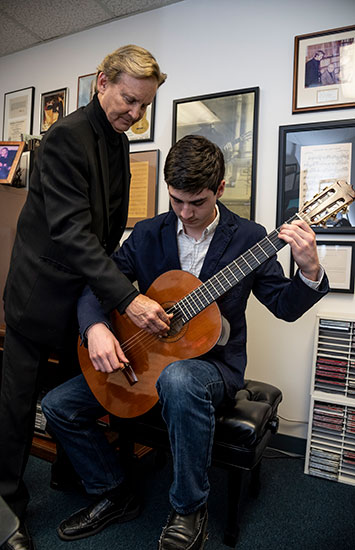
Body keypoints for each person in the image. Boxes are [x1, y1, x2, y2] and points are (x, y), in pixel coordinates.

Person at [42, 135, 329, 550]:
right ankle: (115, 492)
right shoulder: (147, 233)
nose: (185, 212)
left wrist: (309, 271)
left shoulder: (251, 237)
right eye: (176, 200)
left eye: (196, 202)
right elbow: (98, 286)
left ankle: (189, 508)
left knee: (179, 379)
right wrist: (96, 329)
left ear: (220, 189)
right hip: (144, 355)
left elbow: (284, 307)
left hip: (210, 368)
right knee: (58, 406)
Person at [0, 44, 168, 550]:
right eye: (128, 99)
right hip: (40, 297)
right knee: (16, 406)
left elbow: (106, 234)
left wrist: (104, 307)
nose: (135, 114)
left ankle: (76, 482)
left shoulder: (117, 140)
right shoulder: (64, 137)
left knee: (83, 396)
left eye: (144, 106)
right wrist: (128, 298)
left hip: (84, 301)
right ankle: (6, 506)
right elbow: (73, 234)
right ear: (102, 81)